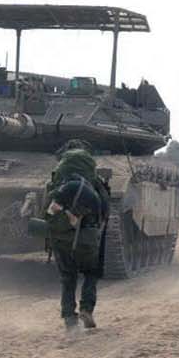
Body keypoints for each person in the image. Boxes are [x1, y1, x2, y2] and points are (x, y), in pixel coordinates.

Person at [47, 141, 108, 330]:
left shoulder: (56, 186)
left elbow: (46, 214)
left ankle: (69, 319)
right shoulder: (97, 187)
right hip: (87, 238)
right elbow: (104, 213)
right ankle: (86, 309)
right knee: (91, 273)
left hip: (61, 239)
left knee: (67, 277)